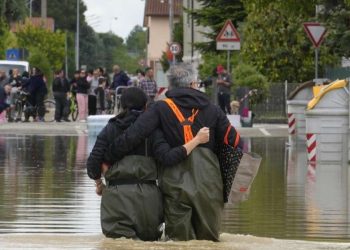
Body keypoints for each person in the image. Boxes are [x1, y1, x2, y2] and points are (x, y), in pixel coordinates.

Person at [104, 63, 241, 241]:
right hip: (209, 185)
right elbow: (235, 142)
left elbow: (132, 136)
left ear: (170, 85)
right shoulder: (213, 110)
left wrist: (107, 157)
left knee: (178, 242)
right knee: (209, 242)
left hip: (175, 185)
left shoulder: (160, 108)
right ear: (193, 84)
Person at [87, 87, 209, 240]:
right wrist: (196, 140)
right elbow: (168, 158)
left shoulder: (109, 129)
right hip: (148, 202)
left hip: (116, 198)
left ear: (122, 106)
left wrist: (99, 184)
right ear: (146, 107)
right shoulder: (153, 131)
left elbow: (92, 165)